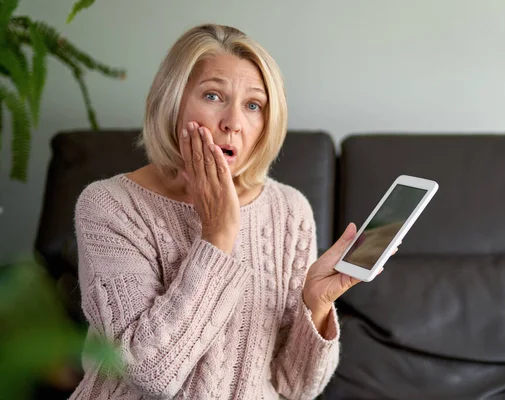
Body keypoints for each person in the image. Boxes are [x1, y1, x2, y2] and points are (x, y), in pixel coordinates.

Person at [69, 23, 368, 400]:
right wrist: (217, 236)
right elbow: (147, 374)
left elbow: (297, 389)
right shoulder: (109, 205)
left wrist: (317, 304)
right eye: (213, 96)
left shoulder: (290, 211)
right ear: (172, 101)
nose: (233, 123)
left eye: (253, 105)